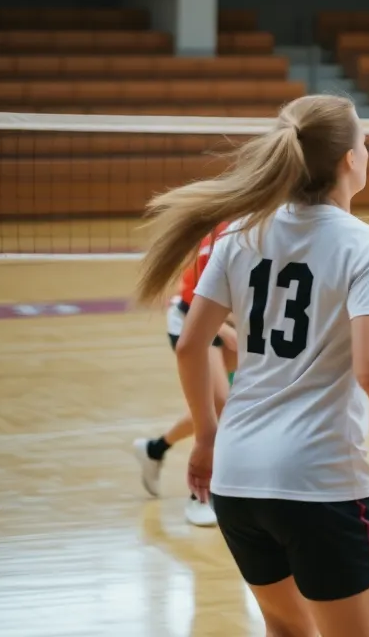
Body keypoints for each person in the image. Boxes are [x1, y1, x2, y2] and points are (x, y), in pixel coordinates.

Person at [134, 94, 369, 637]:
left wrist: (207, 439)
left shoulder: (239, 235)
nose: (368, 152)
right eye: (366, 143)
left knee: (287, 630)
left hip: (237, 478)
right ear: (349, 160)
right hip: (319, 482)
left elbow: (191, 344)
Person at [133, 220, 237, 527]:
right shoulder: (226, 231)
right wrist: (222, 328)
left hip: (233, 325)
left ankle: (154, 449)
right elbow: (194, 297)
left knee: (217, 405)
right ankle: (201, 495)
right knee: (218, 405)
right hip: (192, 321)